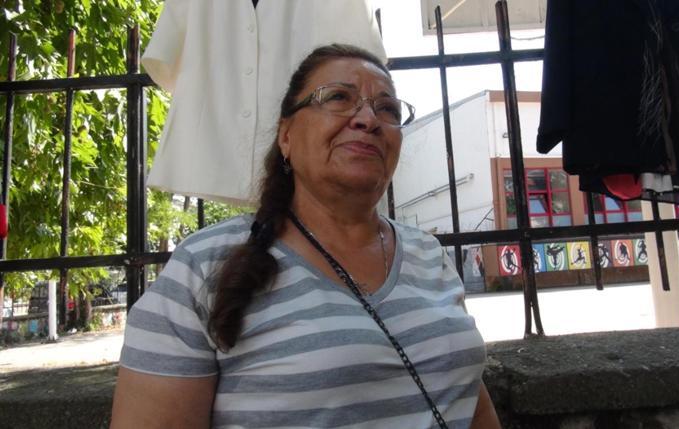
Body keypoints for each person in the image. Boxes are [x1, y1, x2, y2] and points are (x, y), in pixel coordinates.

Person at [110, 44, 501, 429]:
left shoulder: (427, 253)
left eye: (388, 109)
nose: (369, 119)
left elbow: (466, 399)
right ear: (286, 136)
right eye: (338, 97)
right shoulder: (203, 266)